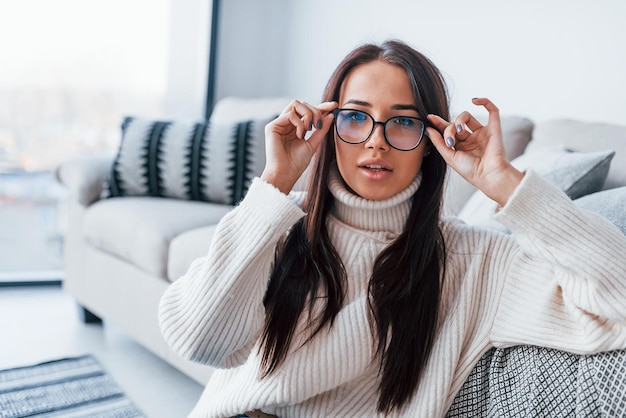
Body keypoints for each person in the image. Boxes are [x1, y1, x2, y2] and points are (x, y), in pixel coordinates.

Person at [158, 40, 626, 417]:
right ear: (327, 127)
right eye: (356, 117)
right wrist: (275, 182)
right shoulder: (276, 226)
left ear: (429, 142)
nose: (377, 141)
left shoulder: (474, 260)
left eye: (402, 122)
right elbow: (197, 339)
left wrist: (506, 184)